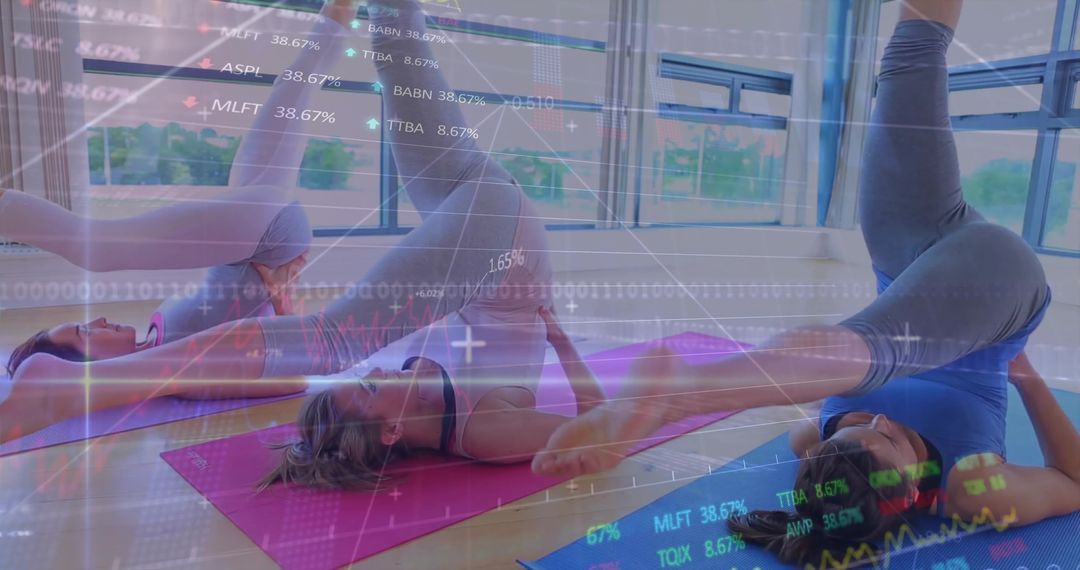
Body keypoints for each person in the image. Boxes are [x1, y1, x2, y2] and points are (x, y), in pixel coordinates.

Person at [531, 0, 1080, 565]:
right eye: (890, 438)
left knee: (911, 53)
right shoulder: (971, 491)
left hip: (906, 255)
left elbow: (820, 421)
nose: (880, 418)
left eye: (858, 424)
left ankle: (693, 388)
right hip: (997, 285)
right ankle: (690, 390)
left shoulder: (813, 445)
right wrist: (1030, 382)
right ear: (914, 496)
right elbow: (1073, 480)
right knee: (882, 346)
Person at [3, 0, 606, 478]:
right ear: (390, 432)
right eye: (82, 336)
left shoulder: (410, 385)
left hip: (445, 217)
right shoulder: (480, 429)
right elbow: (604, 426)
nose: (96, 323)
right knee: (398, 43)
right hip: (484, 227)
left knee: (391, 44)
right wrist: (563, 347)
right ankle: (334, 18)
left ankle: (333, 18)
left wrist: (275, 300)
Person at [1, 0, 364, 375]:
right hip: (267, 241)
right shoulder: (171, 370)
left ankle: (342, 10)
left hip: (255, 234)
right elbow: (290, 372)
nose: (99, 321)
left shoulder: (156, 341)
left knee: (292, 88)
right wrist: (285, 308)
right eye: (85, 333)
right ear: (85, 367)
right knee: (95, 248)